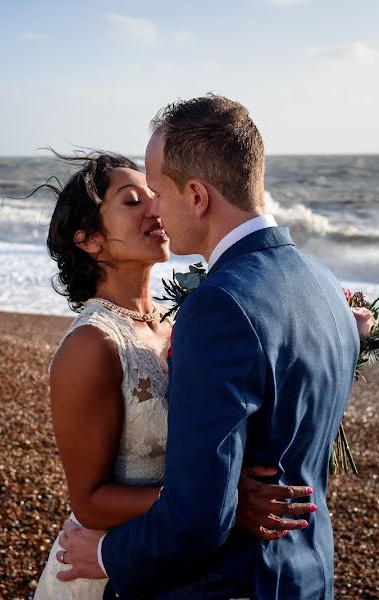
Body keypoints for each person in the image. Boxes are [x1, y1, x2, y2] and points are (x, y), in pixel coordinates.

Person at [56, 96, 359, 599]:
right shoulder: (323, 284)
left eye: (157, 192)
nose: (154, 209)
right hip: (305, 574)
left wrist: (107, 555)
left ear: (197, 196)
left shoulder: (219, 308)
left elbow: (200, 516)